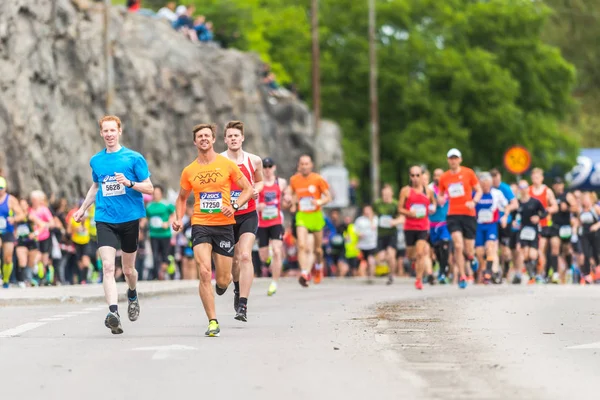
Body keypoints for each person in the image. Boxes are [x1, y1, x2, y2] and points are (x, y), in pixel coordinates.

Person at [74, 115, 154, 334]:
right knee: (108, 267)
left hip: (129, 219)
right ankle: (113, 313)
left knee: (128, 270)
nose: (109, 134)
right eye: (105, 131)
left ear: (120, 131)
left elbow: (150, 188)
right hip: (105, 219)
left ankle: (132, 292)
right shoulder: (96, 161)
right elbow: (96, 186)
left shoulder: (134, 158)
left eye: (112, 130)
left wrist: (129, 183)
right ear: (101, 133)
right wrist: (83, 209)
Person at [173, 123, 252, 337]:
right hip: (200, 224)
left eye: (207, 135)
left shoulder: (226, 165)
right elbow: (181, 198)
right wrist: (179, 218)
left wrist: (234, 206)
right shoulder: (189, 170)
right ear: (194, 141)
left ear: (214, 139)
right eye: (199, 136)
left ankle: (225, 286)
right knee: (205, 272)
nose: (203, 139)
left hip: (224, 225)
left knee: (223, 279)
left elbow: (248, 189)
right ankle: (213, 321)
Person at [219, 120, 264, 322]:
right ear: (225, 139)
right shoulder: (218, 160)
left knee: (245, 255)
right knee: (234, 261)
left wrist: (256, 190)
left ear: (242, 138)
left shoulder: (254, 160)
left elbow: (260, 181)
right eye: (230, 136)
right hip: (226, 217)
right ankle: (236, 288)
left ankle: (243, 305)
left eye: (236, 135)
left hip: (248, 214)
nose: (233, 139)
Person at [438, 148, 482, 289]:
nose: (453, 160)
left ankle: (471, 257)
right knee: (458, 245)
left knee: (468, 249)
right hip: (453, 215)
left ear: (460, 160)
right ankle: (462, 276)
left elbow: (479, 190)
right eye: (451, 158)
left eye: (455, 158)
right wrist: (440, 200)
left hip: (468, 214)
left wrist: (473, 202)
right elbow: (441, 194)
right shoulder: (444, 177)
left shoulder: (468, 173)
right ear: (448, 160)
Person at [287, 154, 332, 287]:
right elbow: (294, 193)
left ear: (311, 165)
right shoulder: (294, 179)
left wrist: (318, 201)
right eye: (302, 164)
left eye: (307, 164)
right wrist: (293, 203)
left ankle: (318, 267)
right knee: (301, 245)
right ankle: (305, 272)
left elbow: (328, 197)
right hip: (302, 215)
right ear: (299, 166)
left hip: (316, 215)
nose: (304, 166)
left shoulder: (317, 179)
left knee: (317, 250)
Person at [398, 166, 436, 290]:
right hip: (409, 227)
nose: (415, 178)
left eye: (417, 175)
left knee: (420, 253)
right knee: (411, 255)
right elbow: (400, 208)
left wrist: (432, 208)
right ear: (410, 177)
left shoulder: (428, 191)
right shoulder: (405, 191)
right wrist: (410, 213)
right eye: (412, 176)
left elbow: (433, 203)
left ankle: (418, 280)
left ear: (421, 176)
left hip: (423, 226)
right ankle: (414, 263)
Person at [256, 157, 289, 296]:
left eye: (270, 166)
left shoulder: (280, 182)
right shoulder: (258, 183)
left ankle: (274, 282)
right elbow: (251, 203)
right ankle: (267, 258)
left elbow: (287, 198)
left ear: (274, 167)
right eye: (265, 166)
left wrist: (288, 199)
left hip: (276, 222)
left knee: (277, 251)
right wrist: (259, 207)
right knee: (263, 257)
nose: (267, 169)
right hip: (262, 223)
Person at [474, 172, 510, 284]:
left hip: (491, 225)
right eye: (483, 185)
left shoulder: (497, 193)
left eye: (487, 185)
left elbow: (507, 205)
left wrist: (505, 217)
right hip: (479, 225)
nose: (485, 187)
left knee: (490, 247)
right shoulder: (475, 194)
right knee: (479, 252)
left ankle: (488, 272)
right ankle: (484, 268)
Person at [512, 180, 547, 284]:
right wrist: (513, 222)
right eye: (521, 187)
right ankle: (531, 274)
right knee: (525, 255)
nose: (523, 189)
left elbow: (544, 212)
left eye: (525, 187)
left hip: (533, 230)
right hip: (522, 231)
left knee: (533, 254)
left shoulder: (535, 202)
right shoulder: (517, 203)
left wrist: (538, 217)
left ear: (528, 188)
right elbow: (514, 216)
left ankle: (538, 273)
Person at [529, 168, 558, 282]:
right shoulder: (529, 190)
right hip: (530, 225)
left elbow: (555, 207)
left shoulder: (547, 191)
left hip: (544, 224)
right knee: (532, 252)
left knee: (541, 250)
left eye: (537, 177)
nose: (535, 180)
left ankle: (541, 273)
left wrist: (545, 212)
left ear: (542, 178)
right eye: (534, 178)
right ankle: (536, 272)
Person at [490, 168, 519, 279]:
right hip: (492, 222)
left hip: (505, 221)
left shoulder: (505, 188)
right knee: (493, 246)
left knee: (505, 250)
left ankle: (506, 267)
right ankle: (495, 271)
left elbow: (515, 204)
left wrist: (506, 212)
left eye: (497, 179)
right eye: (493, 180)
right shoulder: (488, 188)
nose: (495, 182)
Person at [373, 184, 401, 284]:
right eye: (384, 194)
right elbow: (373, 214)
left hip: (392, 233)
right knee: (381, 258)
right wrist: (373, 222)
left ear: (392, 194)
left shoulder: (395, 204)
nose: (386, 196)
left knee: (391, 255)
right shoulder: (377, 203)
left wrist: (395, 222)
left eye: (388, 194)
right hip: (381, 234)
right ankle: (388, 268)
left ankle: (391, 275)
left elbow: (402, 217)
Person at [146, 185, 175, 281]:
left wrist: (168, 222)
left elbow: (174, 215)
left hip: (165, 234)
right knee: (154, 255)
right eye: (154, 193)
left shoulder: (166, 204)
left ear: (161, 194)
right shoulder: (149, 206)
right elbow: (146, 218)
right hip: (153, 234)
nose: (156, 195)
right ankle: (156, 275)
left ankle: (165, 273)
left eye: (158, 193)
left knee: (165, 255)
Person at [0, 177, 25, 288]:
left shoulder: (10, 200)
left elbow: (22, 215)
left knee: (8, 258)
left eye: (1, 188)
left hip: (7, 231)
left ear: (5, 188)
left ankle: (6, 280)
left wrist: (13, 219)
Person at [552, 177, 577, 283]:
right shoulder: (552, 196)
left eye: (560, 184)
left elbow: (576, 208)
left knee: (566, 249)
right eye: (556, 184)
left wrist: (566, 208)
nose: (558, 186)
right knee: (555, 248)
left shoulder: (567, 195)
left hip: (565, 227)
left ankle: (569, 270)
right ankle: (555, 273)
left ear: (562, 185)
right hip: (555, 226)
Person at [429, 168, 451, 284]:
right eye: (435, 175)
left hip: (445, 223)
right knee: (437, 248)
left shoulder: (448, 187)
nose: (437, 178)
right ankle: (441, 267)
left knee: (445, 245)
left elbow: (443, 201)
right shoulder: (429, 188)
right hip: (432, 223)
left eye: (440, 175)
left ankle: (443, 271)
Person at [354, 205, 378, 280]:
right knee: (362, 264)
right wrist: (358, 235)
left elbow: (374, 227)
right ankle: (364, 277)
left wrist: (371, 219)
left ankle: (371, 277)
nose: (367, 212)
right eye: (366, 210)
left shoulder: (375, 219)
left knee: (371, 261)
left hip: (372, 244)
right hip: (362, 245)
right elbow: (355, 231)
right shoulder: (359, 220)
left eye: (369, 210)